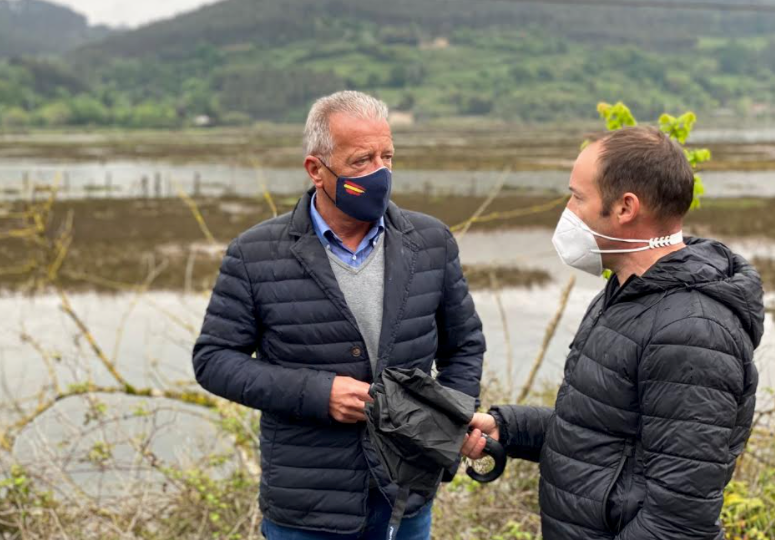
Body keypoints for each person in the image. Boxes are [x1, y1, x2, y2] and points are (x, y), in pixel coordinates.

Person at [192, 90, 486, 539]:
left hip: (404, 498)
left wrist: (449, 422)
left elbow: (463, 346)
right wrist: (317, 392)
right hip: (306, 507)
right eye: (361, 161)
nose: (379, 173)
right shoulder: (255, 255)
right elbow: (214, 360)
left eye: (387, 156)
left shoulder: (430, 242)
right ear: (316, 170)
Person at [463, 126, 763, 540]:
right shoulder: (628, 292)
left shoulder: (693, 332)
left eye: (577, 197)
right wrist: (506, 428)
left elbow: (678, 522)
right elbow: (602, 436)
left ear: (625, 208)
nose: (567, 211)